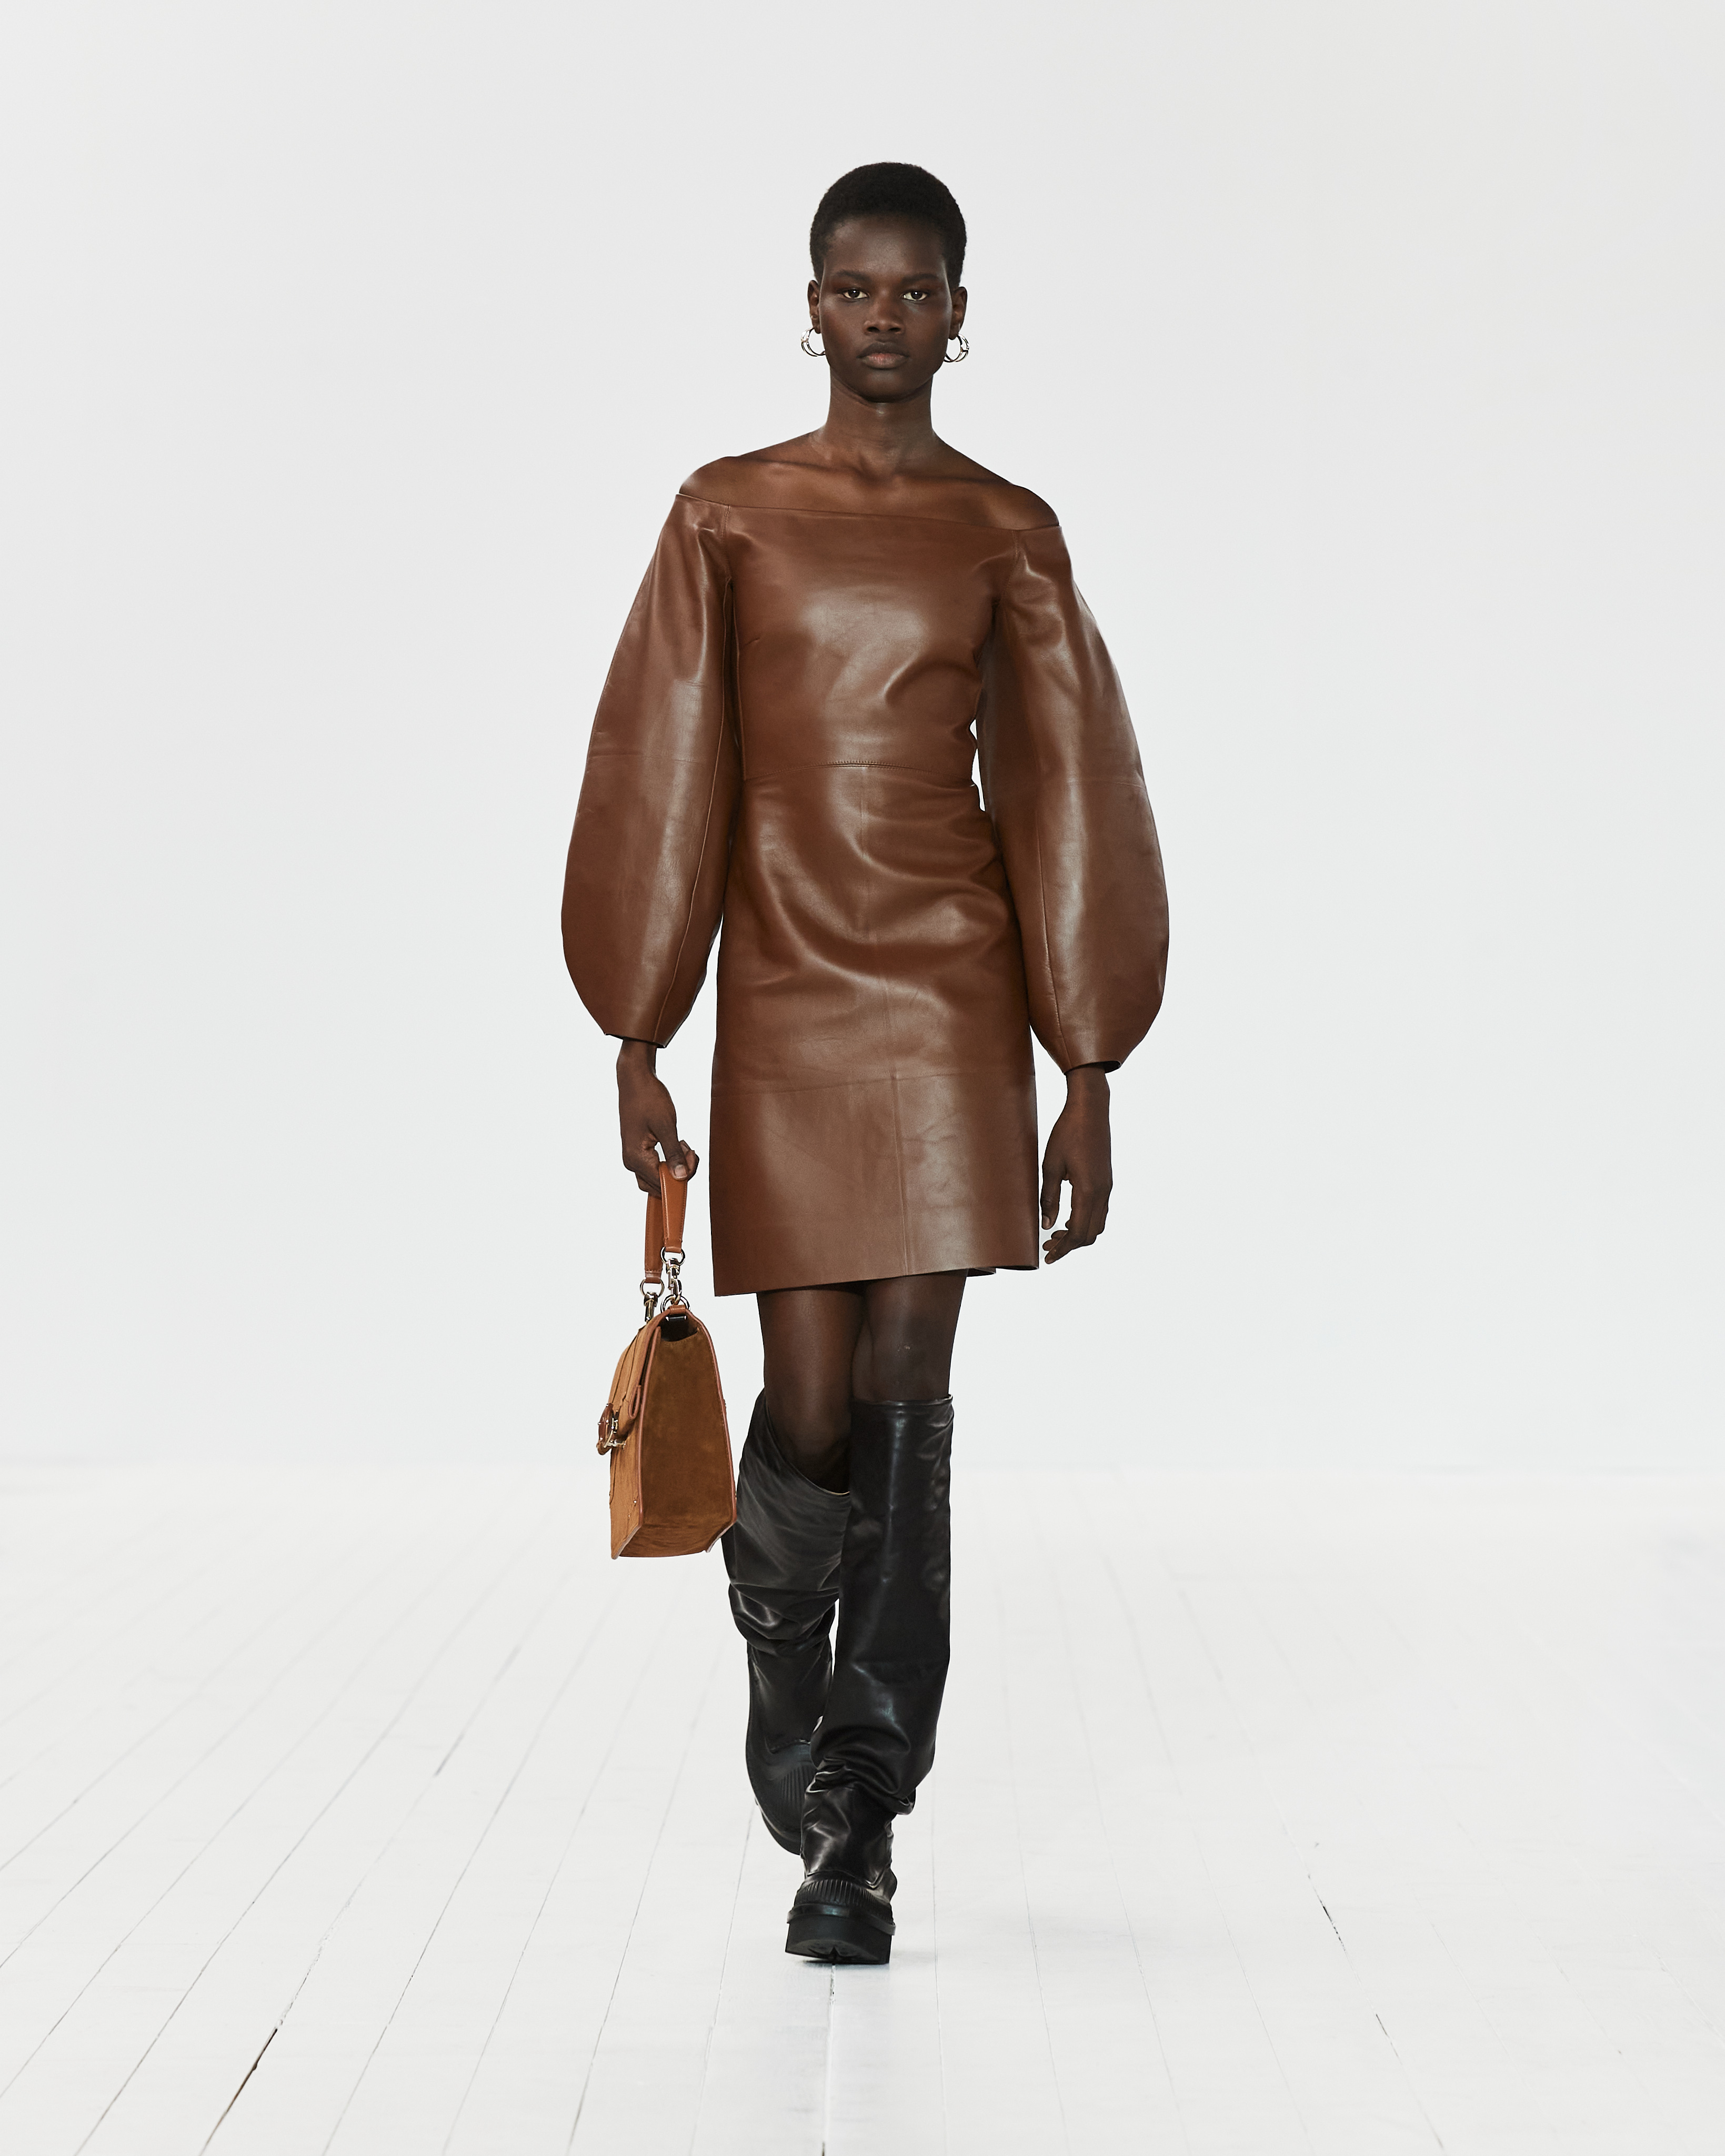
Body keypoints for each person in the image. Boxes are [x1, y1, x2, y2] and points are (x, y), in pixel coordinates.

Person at [562, 163, 1168, 1965]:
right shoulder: (727, 511)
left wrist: (1088, 1063)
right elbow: (666, 764)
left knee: (910, 1392)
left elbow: (1068, 788)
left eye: (916, 292)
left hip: (950, 988)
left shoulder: (1006, 528)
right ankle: (785, 1658)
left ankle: (861, 1809)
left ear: (961, 315)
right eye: (853, 287)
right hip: (788, 988)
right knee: (809, 1403)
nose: (883, 318)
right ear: (810, 304)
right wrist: (638, 1032)